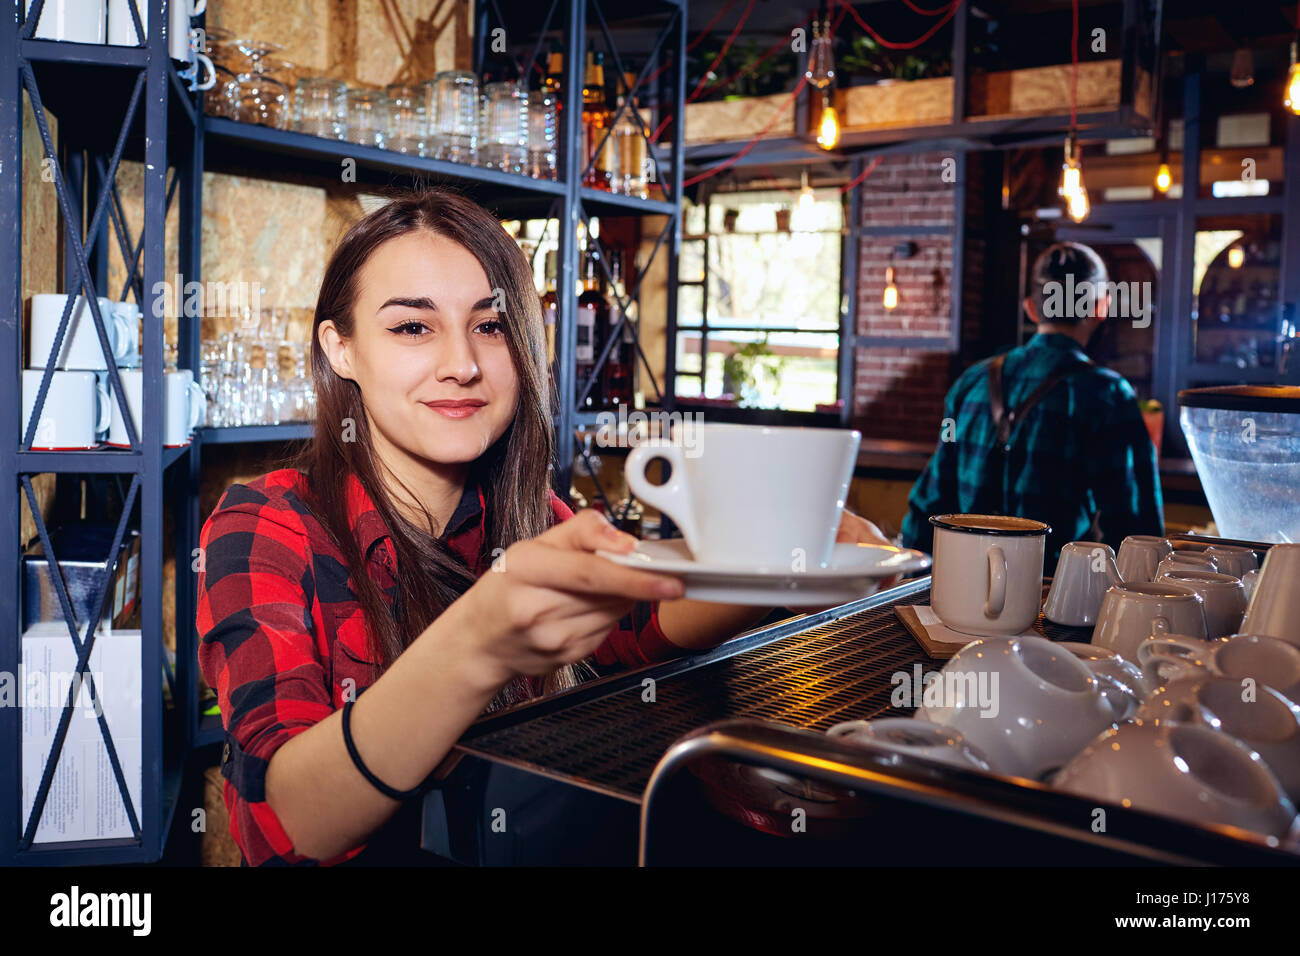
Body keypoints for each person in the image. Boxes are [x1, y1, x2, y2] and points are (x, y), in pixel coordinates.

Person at [196, 189, 892, 866]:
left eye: (490, 326)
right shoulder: (266, 523)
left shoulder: (525, 513)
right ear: (341, 348)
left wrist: (784, 553)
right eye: (413, 326)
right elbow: (291, 818)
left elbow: (639, 627)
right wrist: (479, 641)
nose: (462, 364)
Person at [900, 241, 1163, 565]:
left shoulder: (968, 385)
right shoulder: (1108, 396)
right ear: (1101, 308)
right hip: (1054, 601)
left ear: (1031, 308)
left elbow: (931, 501)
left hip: (959, 593)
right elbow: (1135, 532)